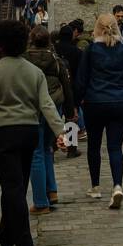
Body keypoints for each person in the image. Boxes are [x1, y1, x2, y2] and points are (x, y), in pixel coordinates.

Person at [0, 20, 67, 246]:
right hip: (29, 133)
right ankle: (6, 235)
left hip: (4, 133)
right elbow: (46, 104)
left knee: (13, 189)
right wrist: (60, 131)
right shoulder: (34, 72)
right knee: (16, 186)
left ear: (1, 45)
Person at [74, 14, 123, 205]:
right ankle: (117, 185)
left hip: (95, 102)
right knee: (115, 147)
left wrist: (77, 102)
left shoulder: (91, 50)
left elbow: (81, 80)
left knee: (94, 146)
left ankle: (95, 186)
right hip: (119, 102)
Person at [24, 26, 73, 215]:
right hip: (55, 104)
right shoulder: (55, 59)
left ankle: (40, 200)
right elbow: (66, 85)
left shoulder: (26, 60)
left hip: (34, 106)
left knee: (36, 151)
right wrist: (70, 112)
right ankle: (51, 190)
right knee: (47, 149)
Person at [55, 22, 84, 157]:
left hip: (55, 88)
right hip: (71, 88)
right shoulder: (77, 52)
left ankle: (52, 146)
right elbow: (80, 73)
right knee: (71, 118)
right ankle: (72, 148)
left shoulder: (53, 50)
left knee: (54, 118)